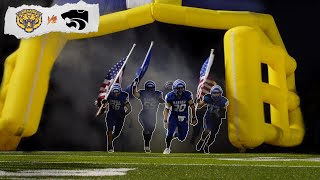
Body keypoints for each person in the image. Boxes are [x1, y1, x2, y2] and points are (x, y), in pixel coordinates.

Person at [163, 79, 197, 154]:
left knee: (182, 138)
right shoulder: (169, 96)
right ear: (174, 89)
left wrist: (194, 117)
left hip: (184, 117)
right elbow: (166, 109)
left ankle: (176, 135)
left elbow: (192, 106)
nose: (180, 90)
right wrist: (165, 121)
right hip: (174, 116)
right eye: (178, 88)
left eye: (182, 88)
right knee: (169, 133)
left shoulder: (187, 95)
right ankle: (167, 148)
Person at [132, 78, 165, 153]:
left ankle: (147, 144)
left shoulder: (158, 94)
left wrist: (163, 100)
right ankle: (146, 146)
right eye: (149, 88)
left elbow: (162, 100)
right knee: (147, 130)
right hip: (144, 115)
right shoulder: (143, 93)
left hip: (153, 116)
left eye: (151, 88)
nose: (150, 90)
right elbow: (135, 94)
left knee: (150, 131)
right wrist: (134, 85)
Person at [195, 85, 229, 153]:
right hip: (209, 116)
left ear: (220, 93)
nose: (216, 95)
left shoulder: (223, 101)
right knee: (207, 130)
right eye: (215, 93)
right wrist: (198, 102)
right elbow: (200, 105)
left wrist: (218, 114)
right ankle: (202, 141)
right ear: (211, 93)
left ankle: (207, 146)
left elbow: (223, 114)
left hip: (217, 119)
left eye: (218, 93)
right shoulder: (208, 98)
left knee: (213, 135)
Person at [102, 83, 132, 153]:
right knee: (110, 130)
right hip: (111, 115)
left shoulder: (123, 96)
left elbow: (129, 108)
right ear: (111, 91)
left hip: (119, 116)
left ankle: (110, 139)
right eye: (114, 92)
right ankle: (110, 146)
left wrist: (124, 114)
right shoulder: (109, 95)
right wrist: (104, 103)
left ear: (120, 91)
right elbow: (105, 106)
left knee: (117, 133)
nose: (115, 94)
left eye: (117, 92)